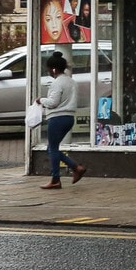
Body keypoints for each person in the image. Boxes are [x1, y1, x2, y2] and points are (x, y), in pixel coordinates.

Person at [38, 52, 84, 189]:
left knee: (52, 149)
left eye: (48, 70)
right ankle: (76, 168)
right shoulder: (71, 81)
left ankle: (55, 179)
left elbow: (53, 102)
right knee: (51, 148)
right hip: (69, 118)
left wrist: (41, 100)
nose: (48, 72)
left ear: (53, 69)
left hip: (57, 118)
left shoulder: (57, 83)